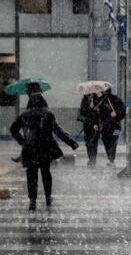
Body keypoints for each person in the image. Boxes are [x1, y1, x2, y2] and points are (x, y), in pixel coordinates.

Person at [10, 83, 79, 211]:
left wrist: (22, 141)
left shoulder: (24, 115)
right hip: (45, 149)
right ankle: (48, 197)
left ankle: (32, 200)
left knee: (31, 175)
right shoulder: (48, 113)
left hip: (30, 149)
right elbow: (58, 131)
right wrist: (72, 143)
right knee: (46, 173)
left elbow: (13, 129)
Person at [96, 86, 125, 166]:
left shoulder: (115, 99)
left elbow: (123, 111)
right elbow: (97, 114)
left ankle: (111, 159)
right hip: (105, 126)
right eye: (102, 90)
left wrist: (116, 114)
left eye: (105, 90)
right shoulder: (100, 101)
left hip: (115, 126)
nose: (104, 92)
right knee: (106, 142)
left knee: (113, 142)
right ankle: (110, 158)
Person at [78, 93, 100, 167]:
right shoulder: (84, 102)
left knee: (94, 143)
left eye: (91, 95)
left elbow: (99, 115)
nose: (89, 96)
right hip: (87, 126)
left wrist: (97, 111)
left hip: (96, 126)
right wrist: (88, 109)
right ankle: (90, 158)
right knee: (88, 144)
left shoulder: (97, 102)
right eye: (88, 95)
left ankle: (93, 160)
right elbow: (81, 113)